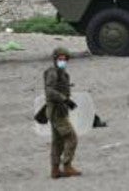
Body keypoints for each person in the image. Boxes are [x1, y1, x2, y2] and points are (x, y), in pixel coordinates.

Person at [44, 47, 81, 179]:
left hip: (58, 111)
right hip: (57, 112)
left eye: (65, 59)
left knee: (57, 141)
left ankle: (55, 170)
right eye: (60, 59)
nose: (63, 61)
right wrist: (65, 99)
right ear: (55, 59)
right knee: (72, 138)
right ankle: (67, 166)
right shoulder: (53, 73)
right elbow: (49, 91)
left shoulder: (61, 73)